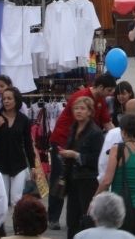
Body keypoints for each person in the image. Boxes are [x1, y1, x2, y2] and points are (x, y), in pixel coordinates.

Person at [47, 74, 116, 229]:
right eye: (109, 90)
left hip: (81, 144)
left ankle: (80, 218)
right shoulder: (81, 97)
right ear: (100, 88)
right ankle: (53, 217)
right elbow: (77, 126)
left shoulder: (101, 101)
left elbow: (107, 122)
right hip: (63, 142)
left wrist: (118, 138)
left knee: (77, 184)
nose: (110, 94)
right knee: (60, 179)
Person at [58, 96, 105, 239]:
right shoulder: (74, 127)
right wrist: (64, 155)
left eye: (82, 108)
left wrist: (75, 155)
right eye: (76, 108)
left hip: (88, 180)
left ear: (90, 112)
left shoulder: (95, 132)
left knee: (87, 217)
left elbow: (97, 159)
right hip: (73, 178)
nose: (78, 111)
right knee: (72, 218)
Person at [0, 87, 36, 210]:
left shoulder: (24, 120)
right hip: (0, 163)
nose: (6, 101)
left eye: (9, 98)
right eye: (4, 99)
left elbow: (28, 144)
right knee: (1, 199)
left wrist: (33, 166)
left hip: (19, 164)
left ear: (16, 100)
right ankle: (0, 227)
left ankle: (18, 226)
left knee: (16, 199)